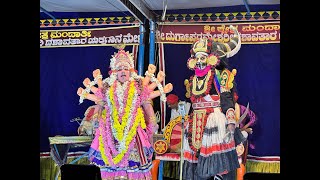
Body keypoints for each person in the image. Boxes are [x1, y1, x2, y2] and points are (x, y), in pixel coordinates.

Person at [76, 46, 173, 180]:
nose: (123, 72)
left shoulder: (139, 87)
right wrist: (94, 121)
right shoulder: (106, 87)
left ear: (131, 71)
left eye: (126, 69)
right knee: (109, 165)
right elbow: (99, 102)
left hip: (134, 134)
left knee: (134, 167)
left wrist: (153, 126)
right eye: (119, 69)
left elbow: (147, 105)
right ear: (114, 72)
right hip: (109, 132)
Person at [182, 25, 243, 180]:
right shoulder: (193, 79)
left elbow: (227, 98)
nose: (200, 62)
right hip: (196, 123)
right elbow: (195, 103)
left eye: (203, 57)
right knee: (197, 165)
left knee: (219, 165)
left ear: (211, 58)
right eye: (197, 58)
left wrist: (230, 119)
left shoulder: (219, 75)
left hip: (215, 123)